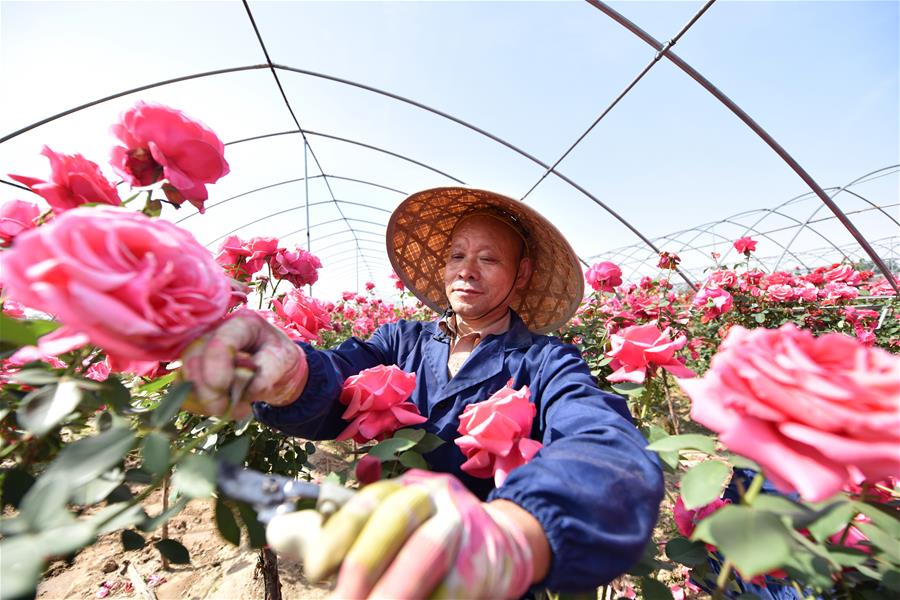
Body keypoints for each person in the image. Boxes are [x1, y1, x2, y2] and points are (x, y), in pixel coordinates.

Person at [182, 187, 664, 598]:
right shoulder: (399, 341)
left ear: (521, 275)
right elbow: (338, 377)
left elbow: (604, 447)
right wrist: (295, 376)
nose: (466, 270)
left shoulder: (546, 362)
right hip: (387, 561)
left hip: (484, 583)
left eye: (488, 259)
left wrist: (516, 534)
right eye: (457, 256)